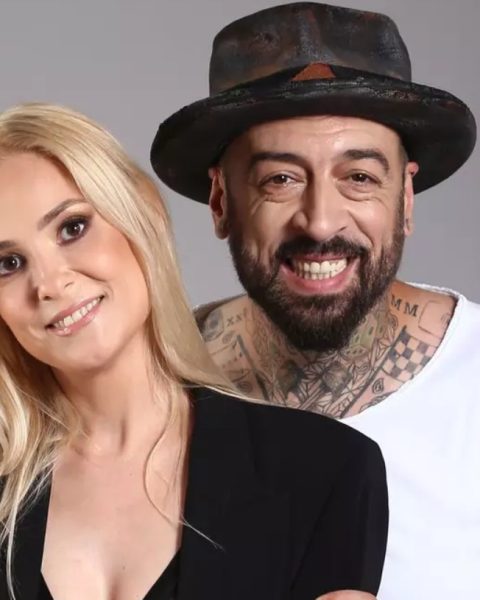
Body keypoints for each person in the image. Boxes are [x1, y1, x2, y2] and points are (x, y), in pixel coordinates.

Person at [150, 2, 480, 599]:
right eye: (280, 179)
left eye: (359, 177)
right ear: (221, 201)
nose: (321, 221)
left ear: (405, 197)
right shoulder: (153, 381)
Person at [0, 103, 387, 600]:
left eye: (72, 228)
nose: (50, 284)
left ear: (142, 215)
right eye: (8, 263)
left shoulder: (324, 468)